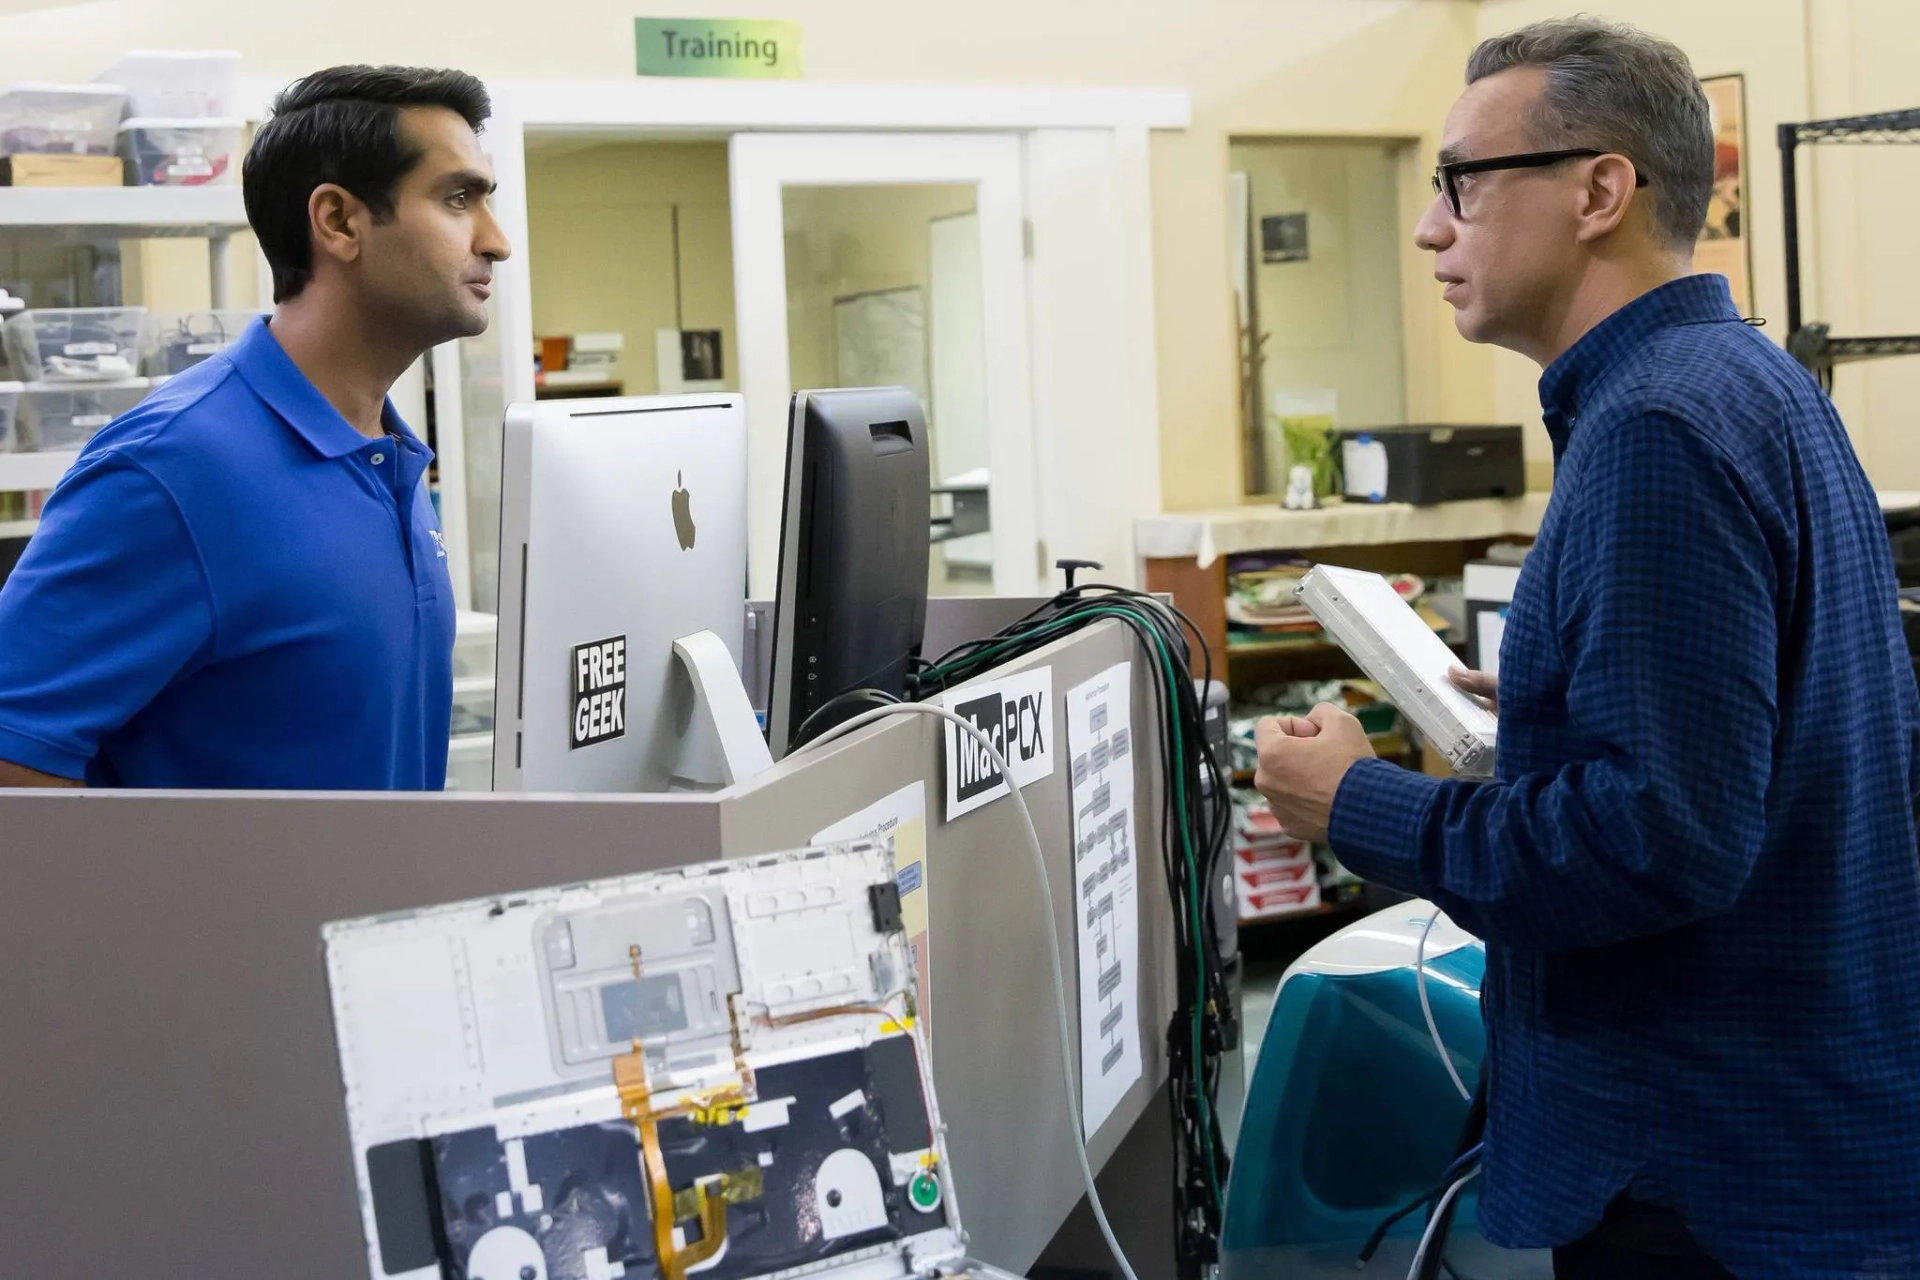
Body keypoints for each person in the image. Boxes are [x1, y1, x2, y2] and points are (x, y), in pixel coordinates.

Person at [1254, 18, 1920, 1279]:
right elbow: (1805, 717)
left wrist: (1358, 803)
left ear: (1600, 190)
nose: (1428, 227)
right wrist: (1569, 697)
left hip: (1709, 1176)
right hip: (1792, 1138)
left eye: (1462, 180)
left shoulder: (1655, 428)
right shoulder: (1752, 383)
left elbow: (1657, 842)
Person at [0, 65, 511, 789]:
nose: (496, 241)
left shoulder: (387, 459)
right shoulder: (171, 470)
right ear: (338, 221)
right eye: (459, 199)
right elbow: (13, 755)